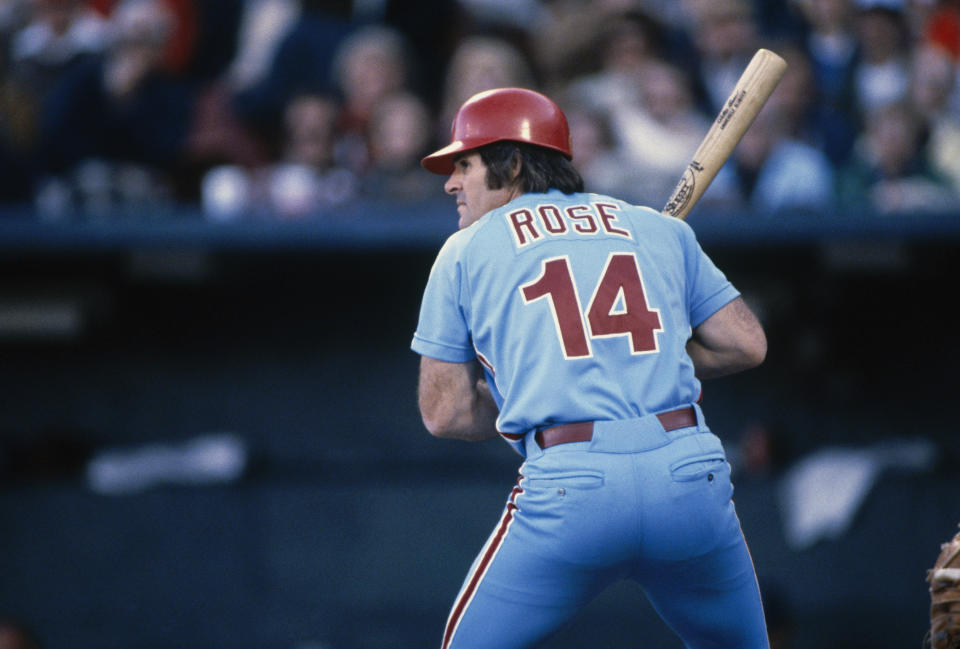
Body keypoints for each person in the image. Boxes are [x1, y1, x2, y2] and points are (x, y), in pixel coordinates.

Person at [410, 87, 770, 648]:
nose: (451, 183)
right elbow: (746, 345)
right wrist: (647, 360)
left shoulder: (464, 249)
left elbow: (446, 412)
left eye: (465, 164)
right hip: (687, 475)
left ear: (515, 162)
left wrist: (538, 383)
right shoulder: (654, 225)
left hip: (570, 484)